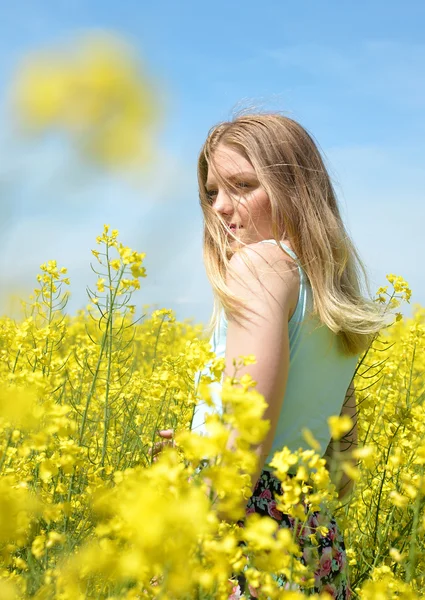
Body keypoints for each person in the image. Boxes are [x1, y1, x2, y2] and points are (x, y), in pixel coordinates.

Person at [154, 112, 386, 599]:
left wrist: (194, 543)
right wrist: (198, 448)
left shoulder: (259, 266)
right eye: (212, 191)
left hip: (246, 537)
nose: (220, 207)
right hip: (309, 530)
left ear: (294, 189)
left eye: (242, 185)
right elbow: (335, 463)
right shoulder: (327, 295)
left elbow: (249, 433)